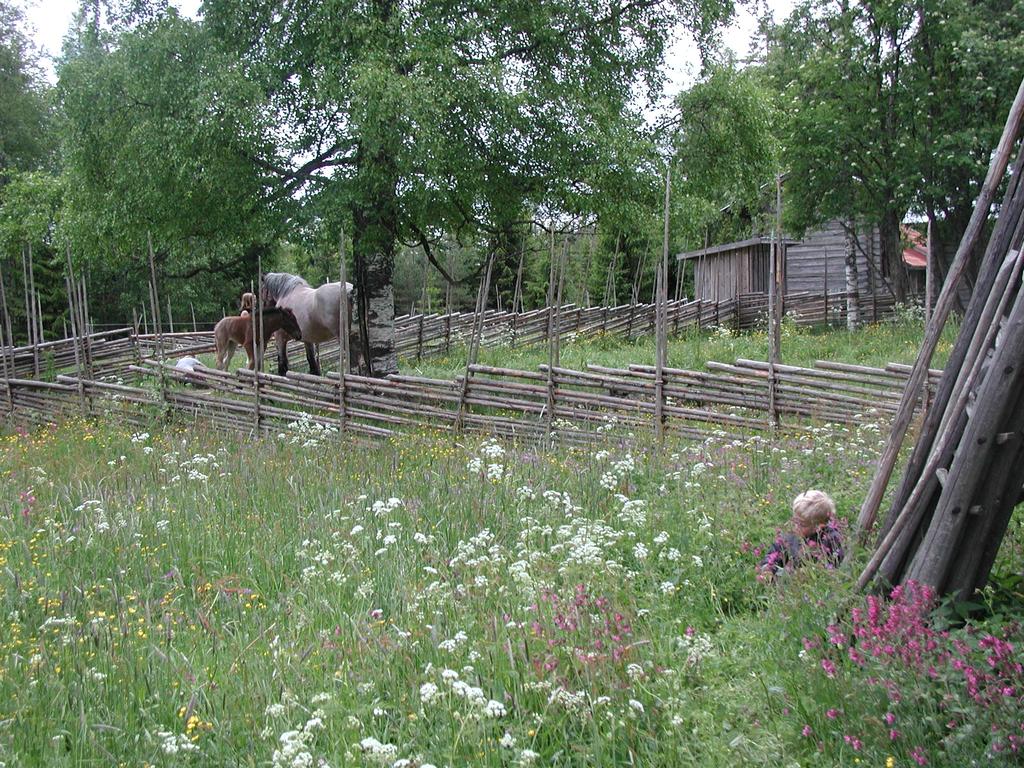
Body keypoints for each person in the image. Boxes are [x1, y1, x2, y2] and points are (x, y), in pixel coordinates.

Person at [758, 490, 845, 579]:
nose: (796, 526)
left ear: (819, 526)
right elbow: (773, 554)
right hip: (788, 582)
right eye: (795, 520)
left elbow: (835, 568)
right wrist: (767, 569)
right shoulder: (790, 537)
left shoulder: (831, 540)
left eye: (802, 524)